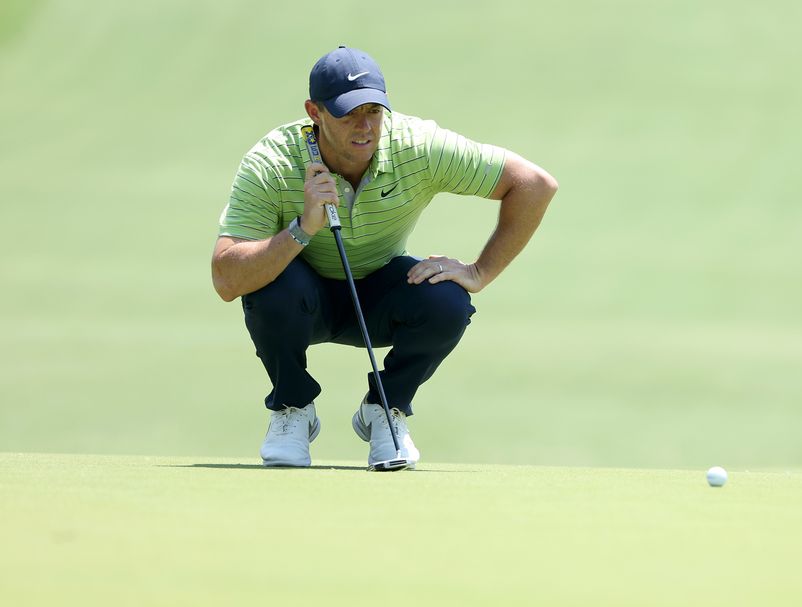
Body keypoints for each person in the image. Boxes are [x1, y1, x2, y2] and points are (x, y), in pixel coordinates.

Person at [212, 46, 557, 468]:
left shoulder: (417, 146)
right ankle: (292, 409)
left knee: (447, 301)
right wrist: (302, 230)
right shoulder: (273, 161)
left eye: (374, 110)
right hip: (304, 298)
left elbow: (535, 184)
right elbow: (227, 279)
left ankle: (384, 411)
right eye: (347, 114)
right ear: (314, 112)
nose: (364, 126)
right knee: (271, 285)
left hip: (380, 292)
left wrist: (479, 271)